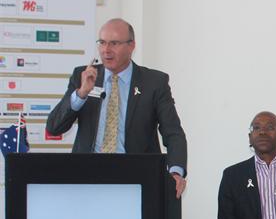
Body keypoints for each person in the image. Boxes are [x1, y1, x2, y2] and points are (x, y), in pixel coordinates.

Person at [46, 18, 187, 198]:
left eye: (114, 43)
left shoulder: (154, 82)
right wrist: (81, 94)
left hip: (137, 179)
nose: (106, 50)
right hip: (87, 177)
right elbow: (54, 127)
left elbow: (173, 132)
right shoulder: (83, 76)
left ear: (131, 46)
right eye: (102, 42)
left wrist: (175, 171)